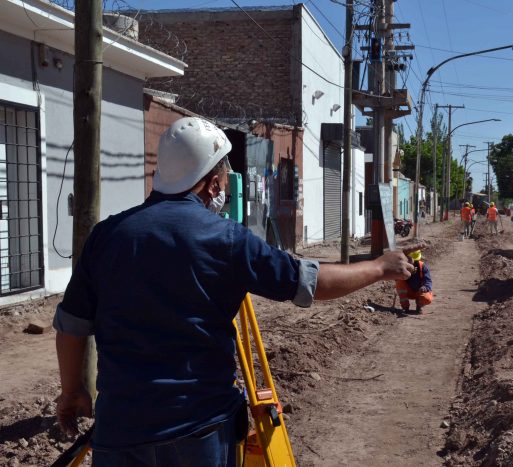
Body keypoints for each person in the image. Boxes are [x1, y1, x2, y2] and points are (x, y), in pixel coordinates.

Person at [53, 117, 418, 466]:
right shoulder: (226, 239)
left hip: (120, 430)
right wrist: (379, 267)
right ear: (212, 184)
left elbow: (71, 325)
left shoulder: (107, 236)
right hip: (199, 429)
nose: (225, 190)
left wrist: (72, 391)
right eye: (225, 181)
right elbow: (309, 283)